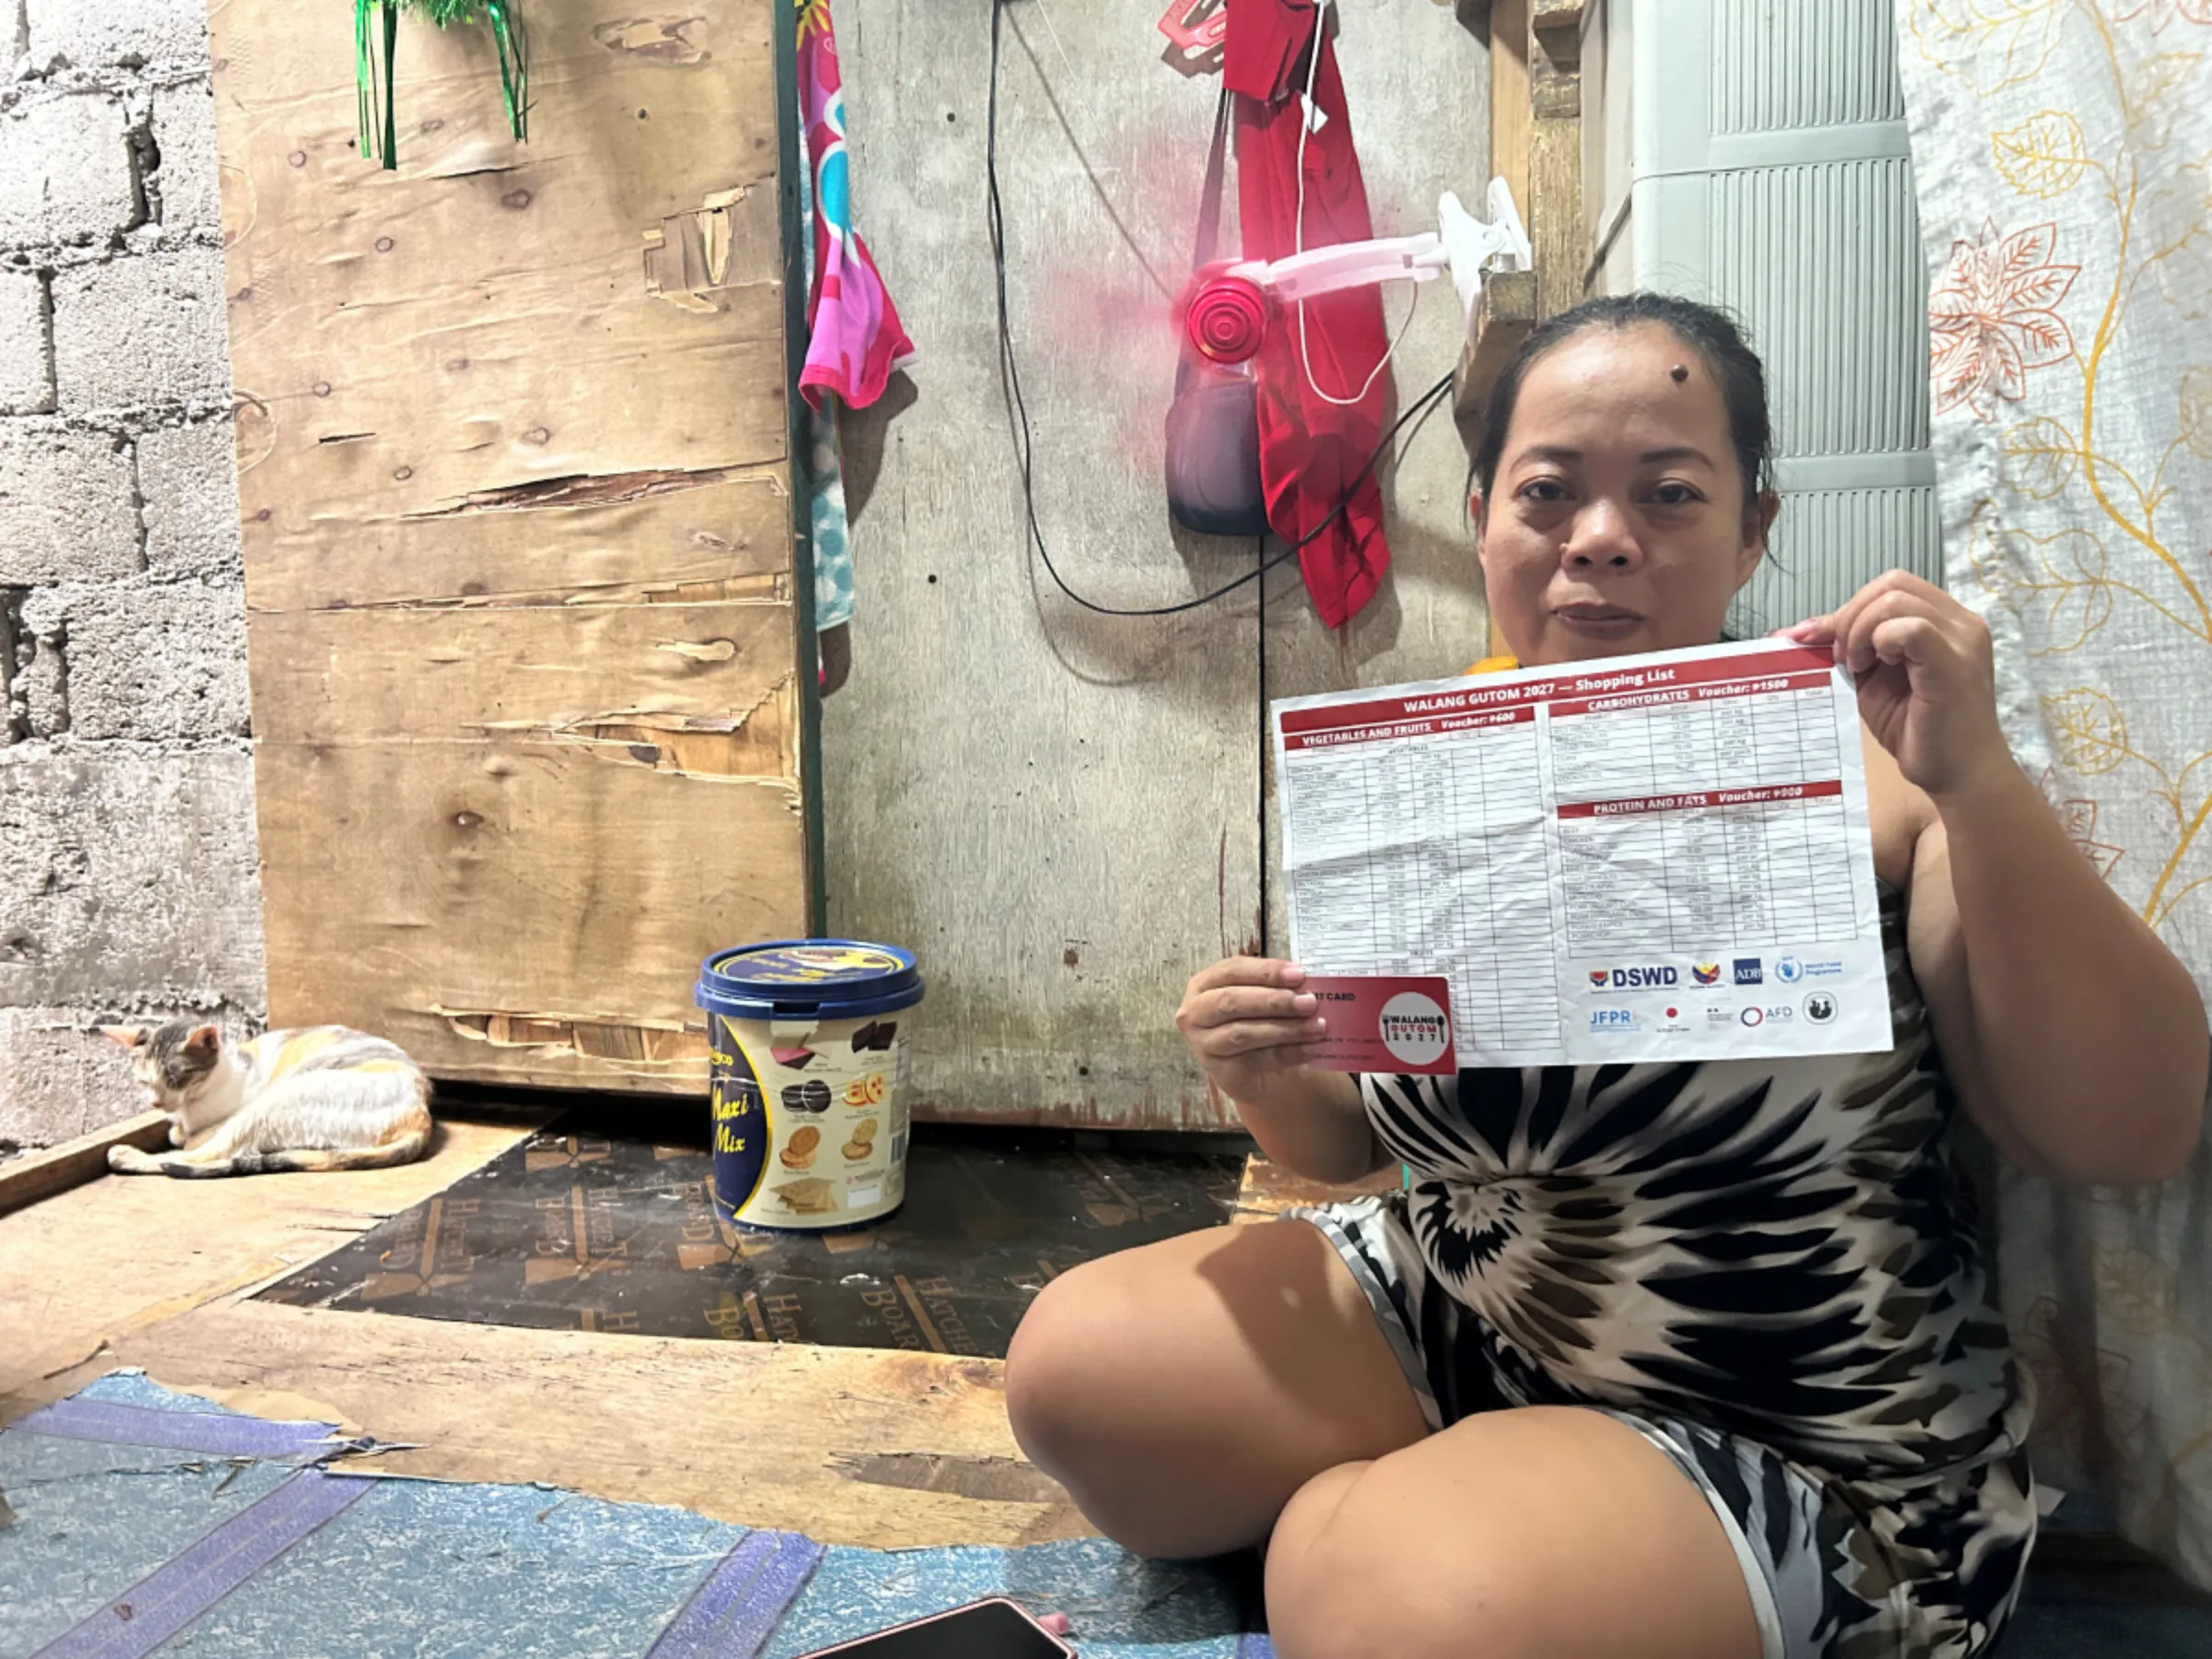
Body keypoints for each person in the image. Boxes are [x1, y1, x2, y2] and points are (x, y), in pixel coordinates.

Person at [1004, 293, 2209, 1659]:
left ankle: (1447, 1542)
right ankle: (1477, 1520)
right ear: (1484, 514)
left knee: (1396, 1593)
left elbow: (2130, 1128)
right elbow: (1346, 1146)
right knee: (1078, 1375)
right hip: (1481, 1316)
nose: (1599, 539)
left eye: (1671, 495)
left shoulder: (1872, 770)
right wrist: (1261, 1073)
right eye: (1550, 493)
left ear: (1755, 526)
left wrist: (1979, 784)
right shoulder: (1425, 782)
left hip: (1801, 1432)